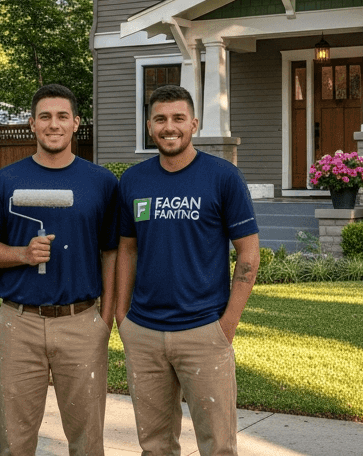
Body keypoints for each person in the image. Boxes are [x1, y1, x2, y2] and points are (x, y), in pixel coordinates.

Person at [0, 83, 120, 456]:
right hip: (19, 323)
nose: (53, 124)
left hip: (81, 322)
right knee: (16, 441)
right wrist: (22, 254)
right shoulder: (6, 181)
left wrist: (105, 319)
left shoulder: (101, 182)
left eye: (62, 117)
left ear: (75, 124)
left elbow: (112, 252)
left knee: (87, 441)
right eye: (45, 117)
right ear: (32, 125)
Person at [114, 84, 260, 456]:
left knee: (218, 446)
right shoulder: (133, 180)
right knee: (154, 446)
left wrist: (226, 325)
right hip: (144, 333)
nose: (169, 127)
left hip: (203, 332)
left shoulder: (222, 177)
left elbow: (248, 255)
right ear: (149, 126)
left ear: (194, 123)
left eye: (178, 118)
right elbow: (127, 250)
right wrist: (122, 317)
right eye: (160, 119)